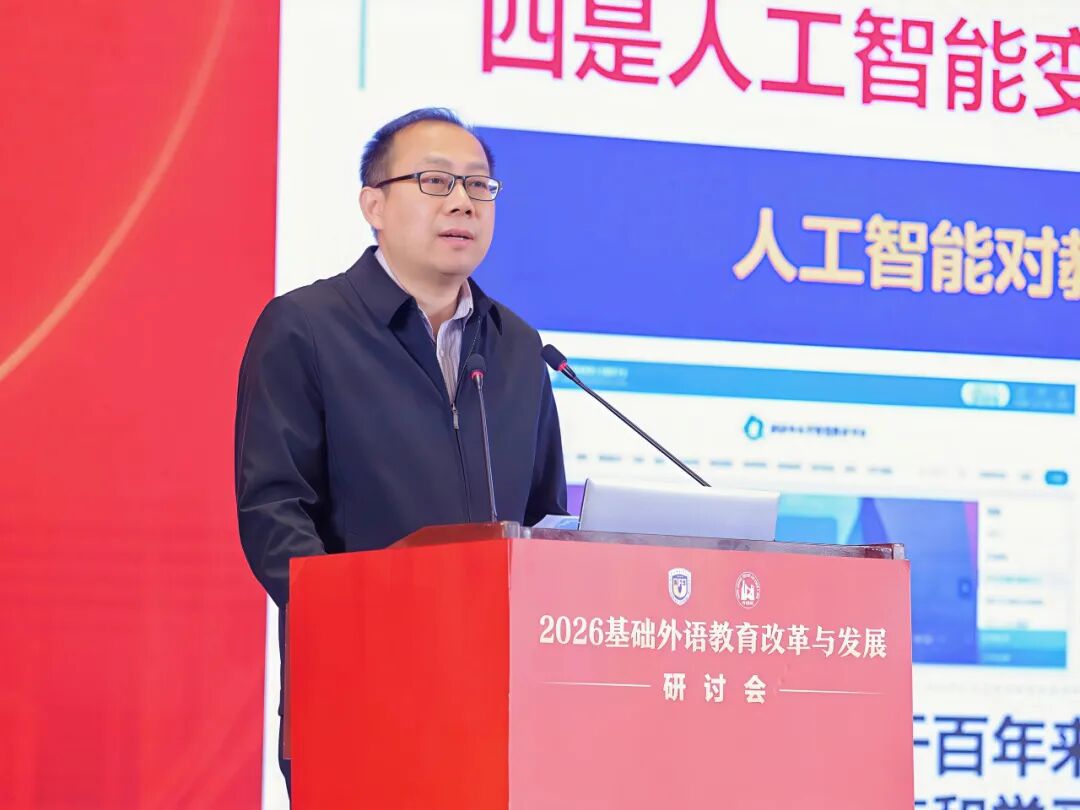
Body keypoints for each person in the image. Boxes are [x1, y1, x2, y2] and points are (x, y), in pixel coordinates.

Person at [234, 107, 567, 793]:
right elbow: (274, 510)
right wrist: (355, 621)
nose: (462, 203)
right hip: (360, 694)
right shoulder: (305, 328)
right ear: (374, 206)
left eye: (478, 186)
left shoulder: (518, 347)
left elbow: (544, 516)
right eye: (435, 181)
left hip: (500, 704)